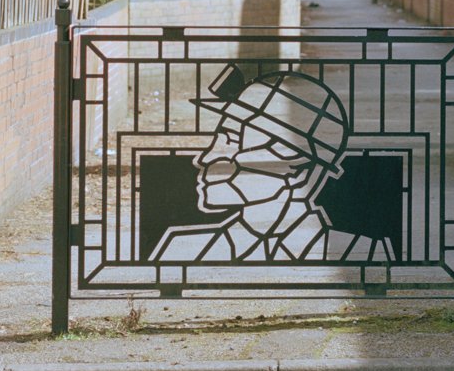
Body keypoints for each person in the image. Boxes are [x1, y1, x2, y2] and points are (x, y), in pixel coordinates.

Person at [149, 70, 387, 262]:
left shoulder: (361, 252)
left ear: (298, 169)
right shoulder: (181, 250)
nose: (203, 158)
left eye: (231, 141)